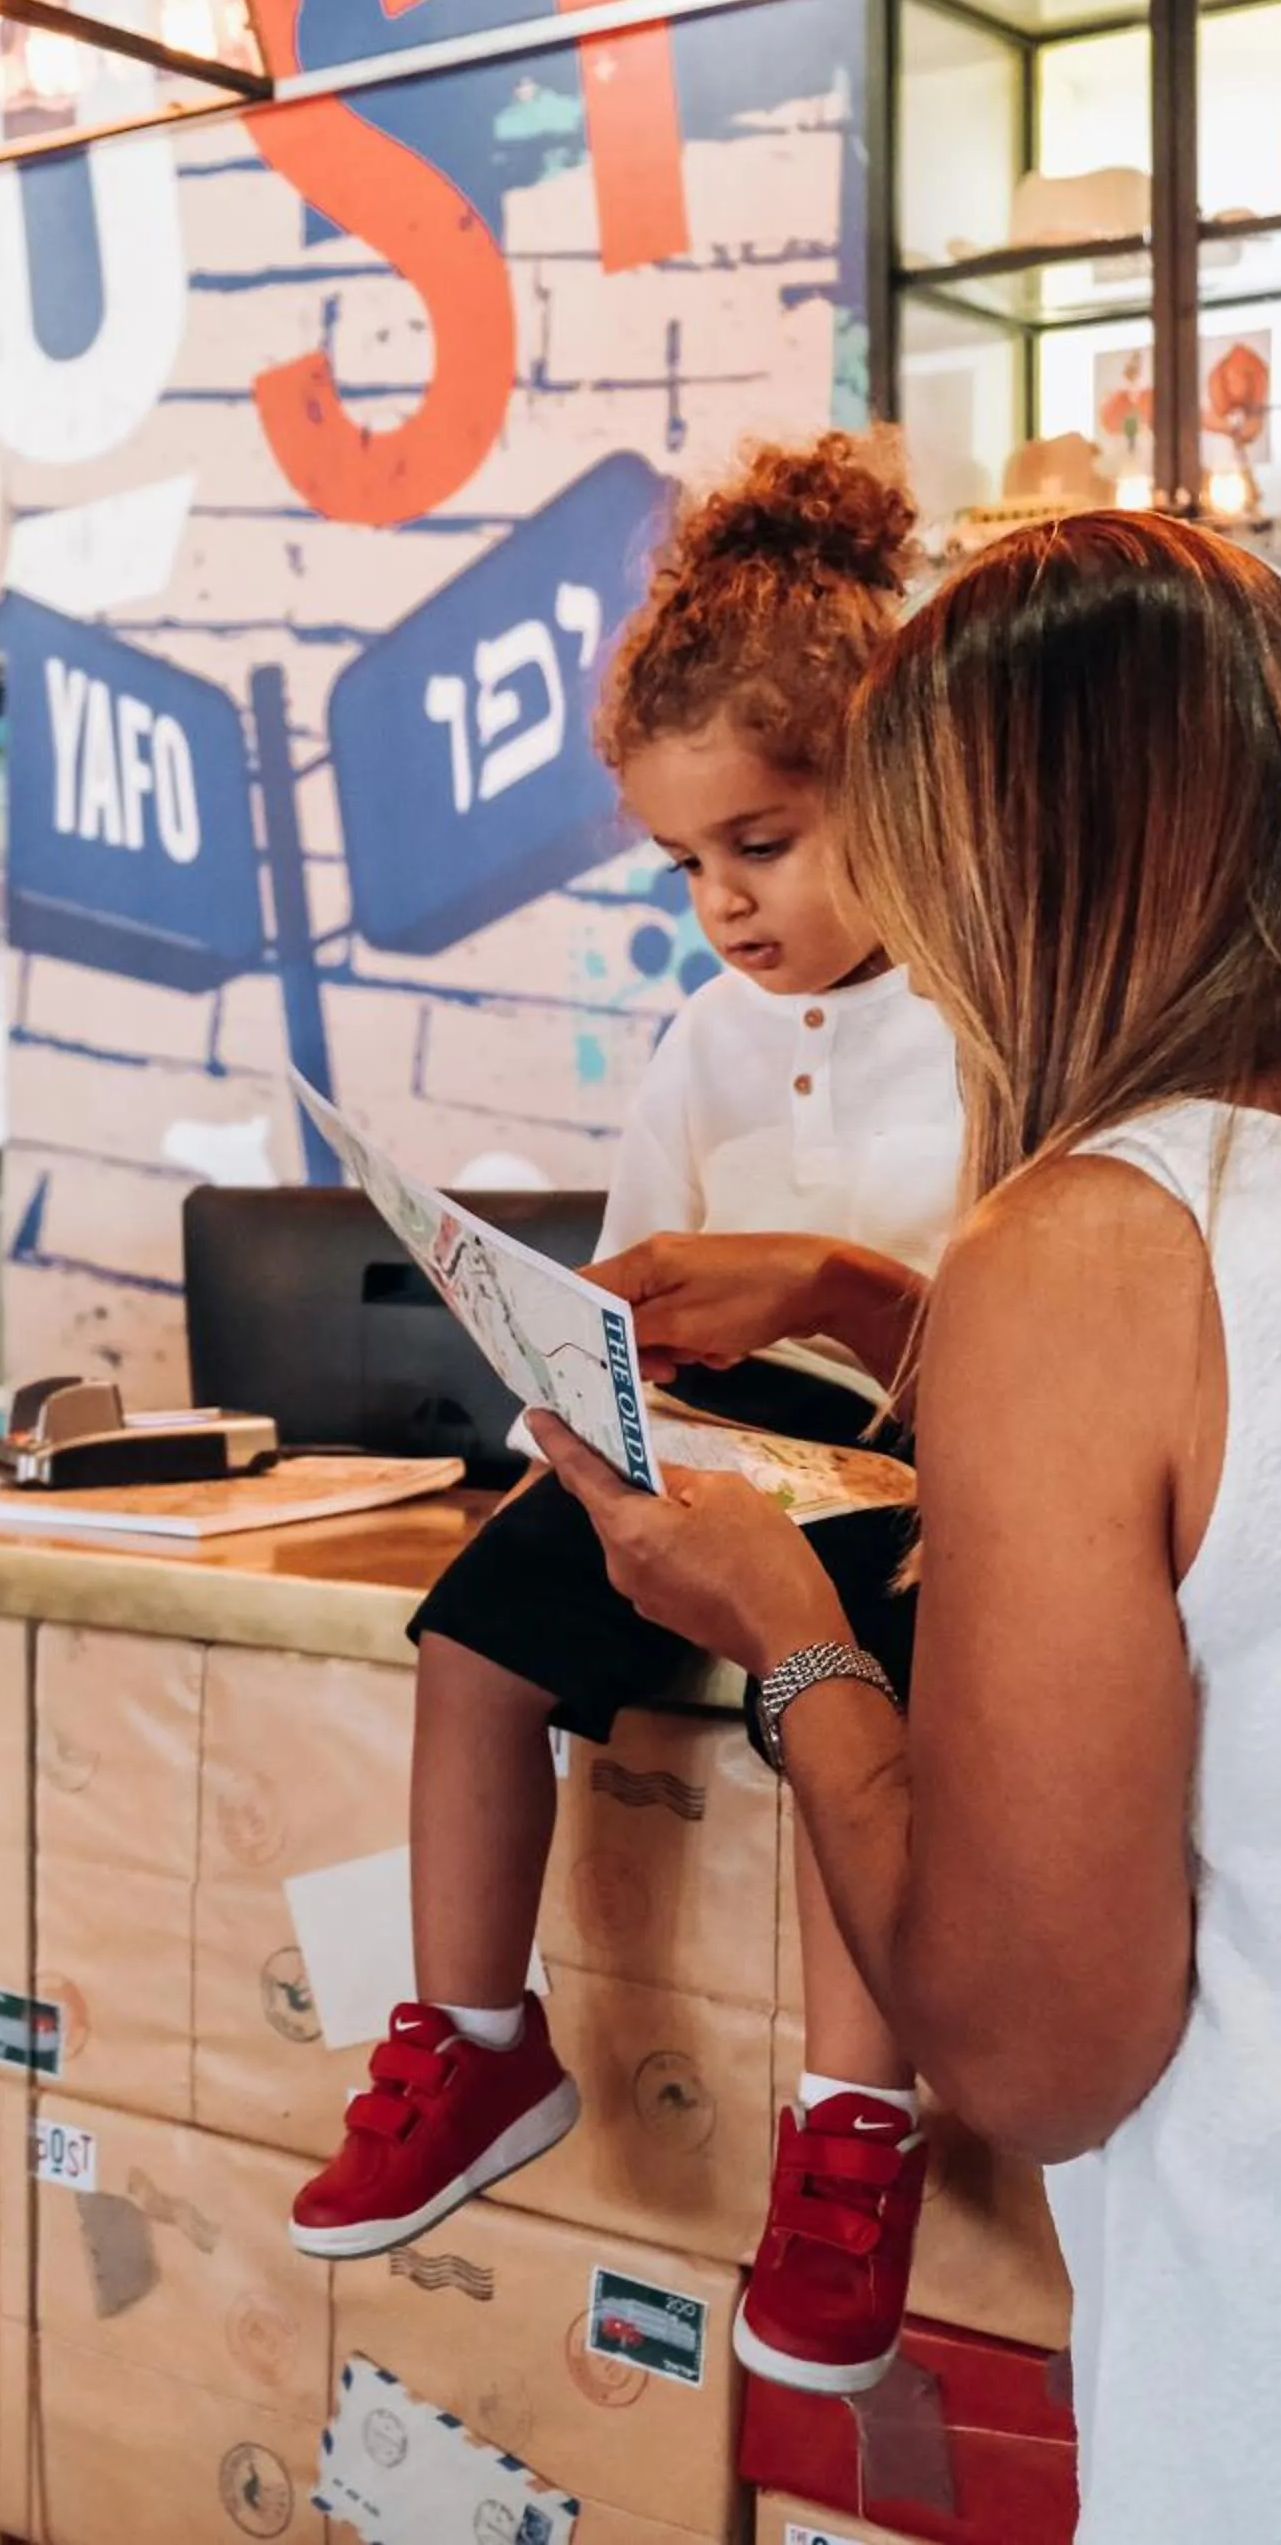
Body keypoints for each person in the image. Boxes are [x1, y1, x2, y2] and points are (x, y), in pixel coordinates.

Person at [534, 507, 1281, 2538]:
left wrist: (789, 1642)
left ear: (1006, 850)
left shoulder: (1094, 1238)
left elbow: (1028, 2047)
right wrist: (860, 1300)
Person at [290, 434, 964, 2396]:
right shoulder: (700, 1043)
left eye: (760, 841)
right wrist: (606, 1361)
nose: (723, 905)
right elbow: (646, 1283)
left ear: (896, 786)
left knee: (872, 1667)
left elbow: (1045, 1371)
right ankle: (473, 2040)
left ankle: (854, 2119)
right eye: (686, 865)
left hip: (928, 1476)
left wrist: (840, 1294)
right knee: (478, 1626)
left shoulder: (1002, 1011)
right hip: (729, 1448)